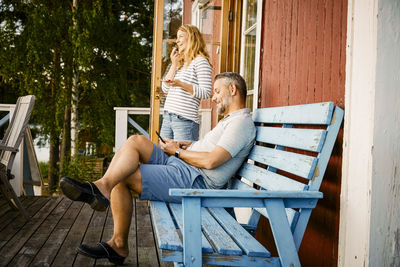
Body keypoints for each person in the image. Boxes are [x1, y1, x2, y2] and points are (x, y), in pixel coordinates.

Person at [60, 72, 256, 265]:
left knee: (123, 175)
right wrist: (187, 145)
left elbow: (212, 161)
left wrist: (177, 152)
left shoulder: (241, 123)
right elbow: (211, 151)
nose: (213, 97)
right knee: (135, 141)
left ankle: (117, 242)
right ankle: (102, 186)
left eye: (217, 92)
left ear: (233, 89)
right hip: (186, 168)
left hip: (196, 180)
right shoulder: (232, 120)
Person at [160, 24, 212, 141]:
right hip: (168, 117)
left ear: (192, 38)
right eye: (177, 37)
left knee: (182, 157)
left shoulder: (201, 61)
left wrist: (181, 84)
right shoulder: (178, 62)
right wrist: (174, 64)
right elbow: (165, 88)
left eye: (181, 36)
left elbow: (205, 93)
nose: (177, 41)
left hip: (184, 121)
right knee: (163, 155)